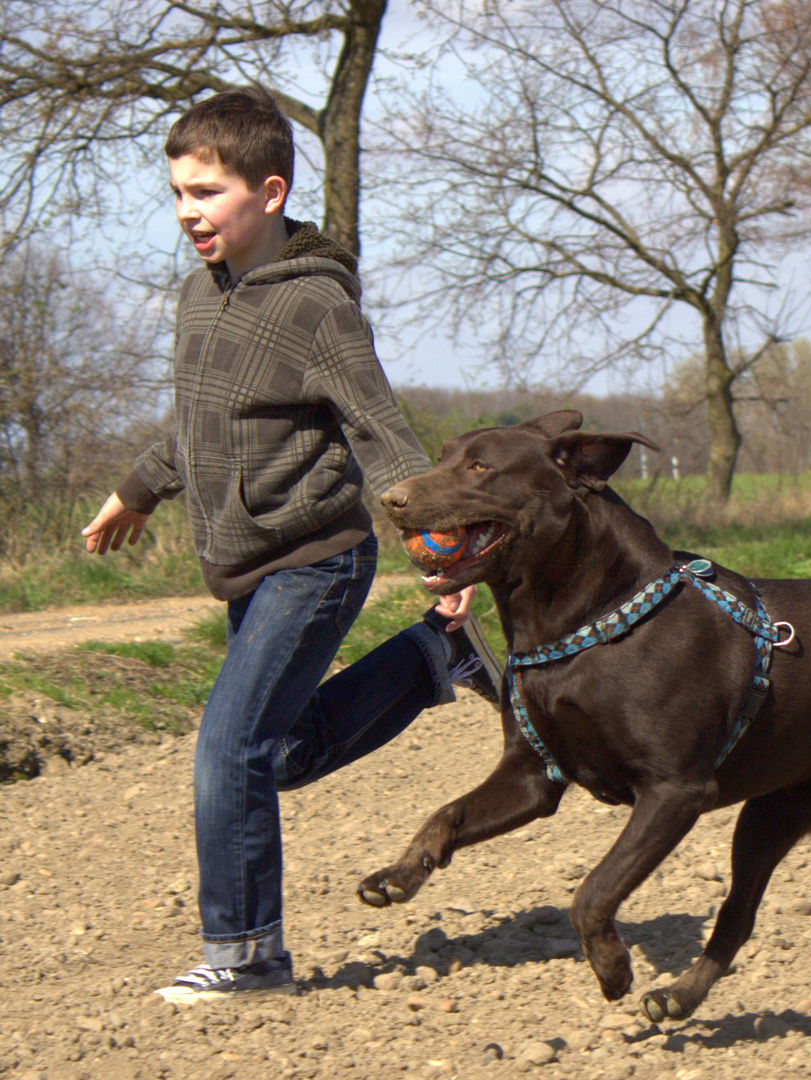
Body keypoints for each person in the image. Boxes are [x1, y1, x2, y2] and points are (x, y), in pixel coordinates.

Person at [81, 83, 502, 1004]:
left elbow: (383, 433)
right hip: (244, 564)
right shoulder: (202, 296)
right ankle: (436, 659)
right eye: (178, 196)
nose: (188, 213)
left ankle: (248, 956)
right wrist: (139, 488)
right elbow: (198, 425)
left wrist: (444, 548)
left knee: (226, 753)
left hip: (317, 558)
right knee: (273, 755)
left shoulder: (316, 306)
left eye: (207, 193)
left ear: (269, 194)